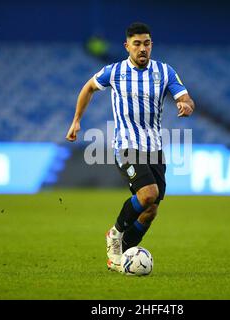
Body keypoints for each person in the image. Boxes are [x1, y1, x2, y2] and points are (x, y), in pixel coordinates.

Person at [66, 22, 195, 272]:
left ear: (151, 45)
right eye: (137, 44)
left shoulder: (165, 71)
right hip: (126, 145)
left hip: (155, 149)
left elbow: (185, 97)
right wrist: (76, 120)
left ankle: (124, 254)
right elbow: (88, 88)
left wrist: (186, 105)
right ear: (127, 46)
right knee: (148, 194)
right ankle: (114, 234)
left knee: (151, 210)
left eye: (146, 43)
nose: (142, 48)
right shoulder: (114, 72)